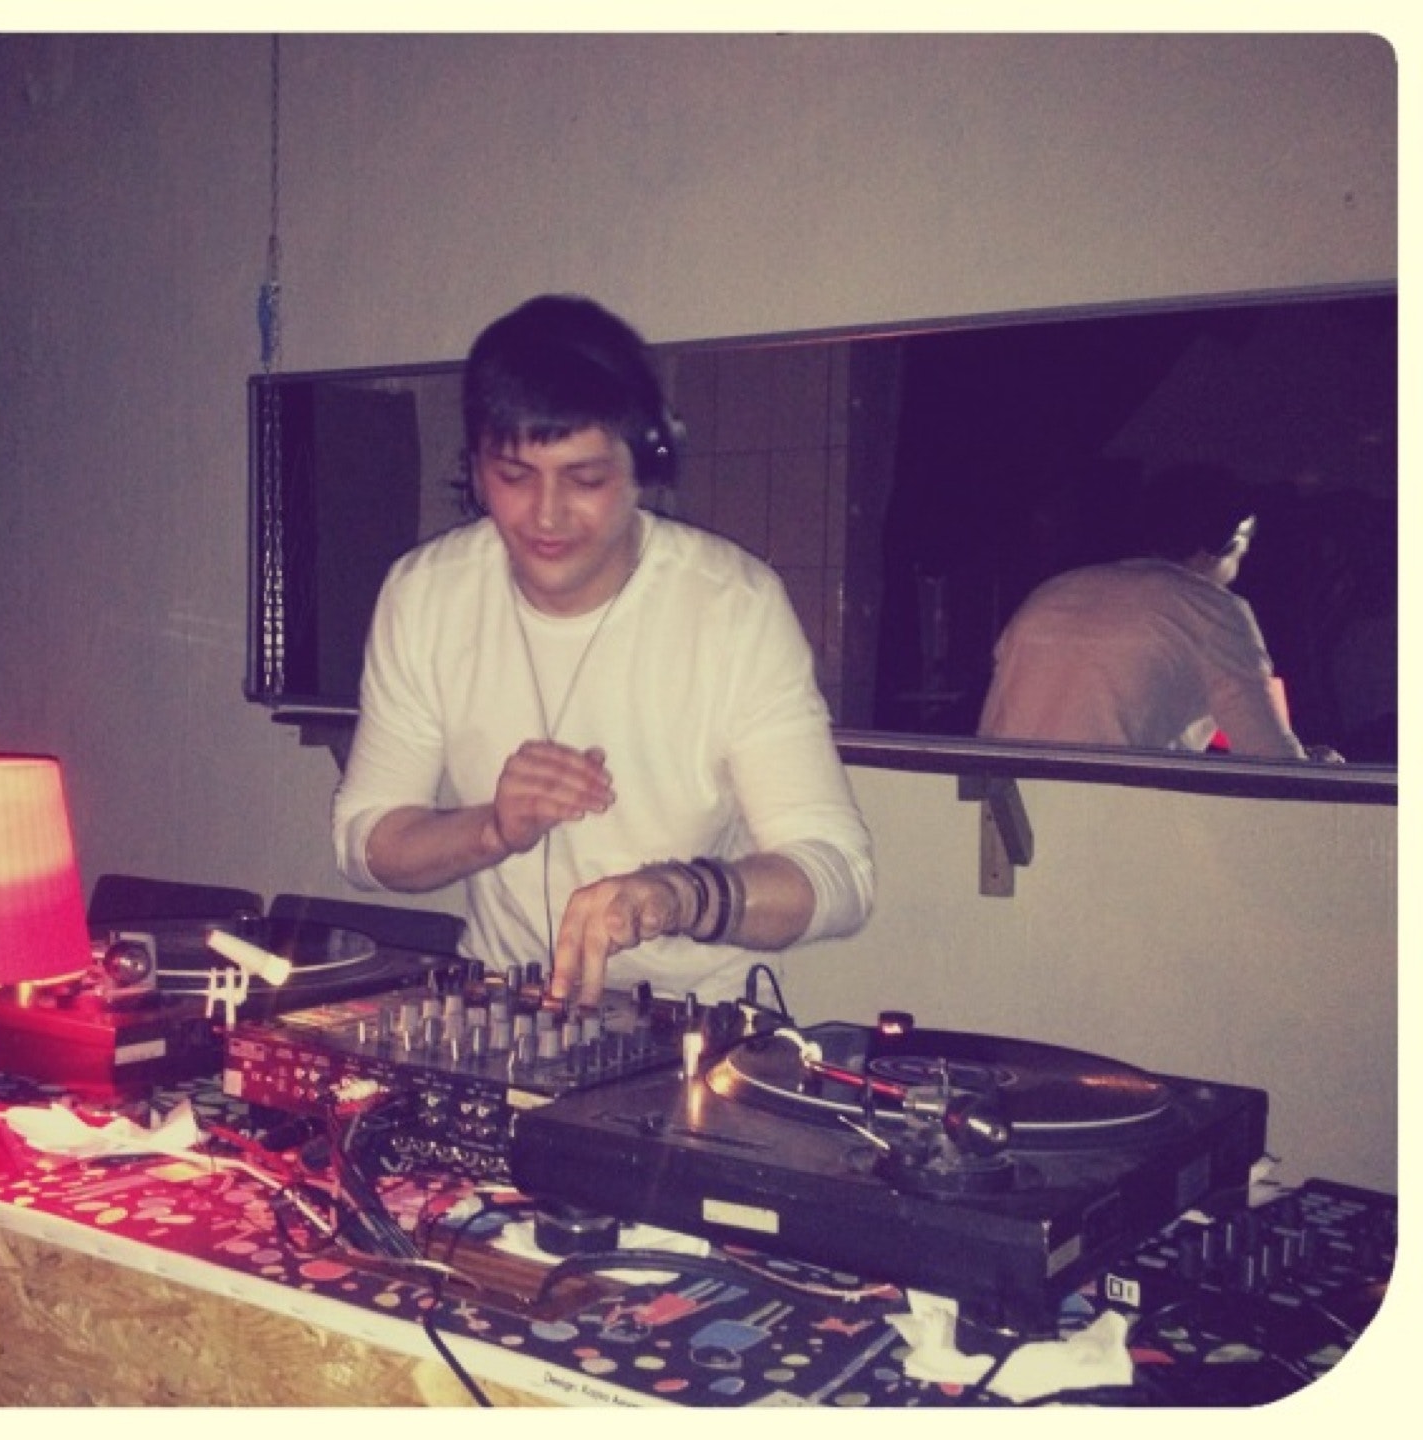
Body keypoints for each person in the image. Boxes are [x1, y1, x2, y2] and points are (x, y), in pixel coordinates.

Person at [331, 295, 874, 1008]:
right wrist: (491, 829)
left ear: (644, 466)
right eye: (514, 476)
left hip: (695, 1018)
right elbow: (366, 843)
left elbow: (839, 878)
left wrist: (678, 895)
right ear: (478, 470)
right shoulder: (425, 594)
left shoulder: (734, 605)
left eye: (585, 479)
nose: (546, 514)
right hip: (505, 1007)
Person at [977, 462, 1339, 760]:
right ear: (1223, 543)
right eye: (1242, 552)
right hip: (1115, 812)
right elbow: (1270, 758)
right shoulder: (1211, 609)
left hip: (1002, 809)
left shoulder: (1054, 591)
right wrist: (1316, 768)